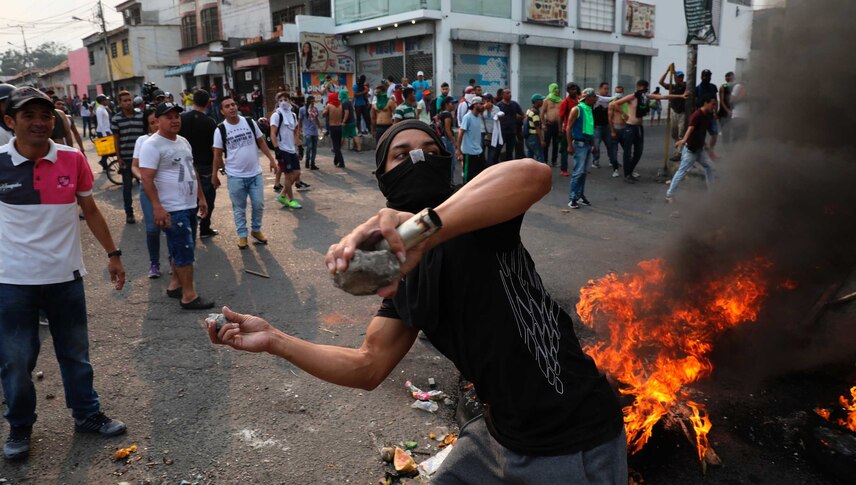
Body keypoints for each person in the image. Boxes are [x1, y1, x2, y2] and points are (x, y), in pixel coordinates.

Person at [207, 120, 626, 484]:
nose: (419, 160)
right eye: (401, 154)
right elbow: (368, 365)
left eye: (430, 151)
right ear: (385, 180)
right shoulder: (402, 274)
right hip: (498, 433)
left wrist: (424, 227)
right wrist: (275, 339)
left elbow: (533, 174)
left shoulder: (476, 219)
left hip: (571, 436)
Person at [0, 87, 128, 461]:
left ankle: (87, 415)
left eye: (46, 115)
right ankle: (20, 425)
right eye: (29, 116)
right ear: (10, 122)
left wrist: (113, 254)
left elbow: (90, 209)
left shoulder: (72, 159)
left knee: (75, 354)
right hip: (13, 282)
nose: (40, 122)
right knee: (16, 359)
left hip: (65, 278)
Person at [139, 102, 213, 310]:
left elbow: (192, 170)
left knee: (178, 246)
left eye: (177, 116)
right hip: (172, 207)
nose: (174, 120)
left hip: (189, 204)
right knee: (184, 250)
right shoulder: (152, 145)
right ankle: (189, 295)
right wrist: (157, 207)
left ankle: (175, 285)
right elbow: (146, 179)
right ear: (158, 120)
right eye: (168, 117)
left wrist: (201, 197)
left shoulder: (183, 141)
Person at [211, 96, 277, 246]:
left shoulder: (249, 122)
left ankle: (255, 229)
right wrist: (215, 175)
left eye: (233, 104)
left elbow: (260, 141)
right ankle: (242, 235)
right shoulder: (220, 130)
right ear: (222, 111)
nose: (232, 108)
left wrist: (272, 160)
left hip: (255, 174)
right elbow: (217, 155)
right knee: (239, 208)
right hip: (235, 177)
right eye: (227, 106)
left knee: (258, 204)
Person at [610, 80, 686, 184]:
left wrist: (681, 96)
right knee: (627, 152)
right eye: (643, 89)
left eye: (646, 89)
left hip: (639, 127)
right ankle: (627, 174)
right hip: (630, 127)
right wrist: (624, 114)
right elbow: (614, 104)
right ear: (638, 88)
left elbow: (663, 97)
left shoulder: (645, 97)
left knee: (638, 152)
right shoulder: (632, 97)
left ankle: (630, 171)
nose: (645, 91)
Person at [132, 109, 170, 277]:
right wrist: (144, 178)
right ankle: (154, 263)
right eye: (152, 122)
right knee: (152, 229)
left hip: (168, 189)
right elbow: (134, 165)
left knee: (171, 227)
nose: (156, 125)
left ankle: (174, 260)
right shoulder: (143, 140)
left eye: (157, 121)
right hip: (148, 189)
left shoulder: (172, 139)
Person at [179, 89, 219, 239]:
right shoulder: (210, 122)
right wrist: (218, 170)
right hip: (205, 167)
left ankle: (188, 229)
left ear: (193, 100)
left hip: (185, 165)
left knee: (189, 200)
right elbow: (215, 149)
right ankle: (204, 228)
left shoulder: (182, 119)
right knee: (208, 199)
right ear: (208, 102)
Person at [665, 95, 717, 202]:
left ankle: (712, 193)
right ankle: (669, 195)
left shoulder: (706, 115)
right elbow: (690, 129)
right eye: (713, 104)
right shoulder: (697, 115)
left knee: (710, 167)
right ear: (705, 103)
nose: (714, 106)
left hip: (699, 150)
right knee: (682, 171)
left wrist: (706, 145)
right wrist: (684, 140)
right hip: (691, 151)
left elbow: (701, 132)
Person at [111, 90, 146, 224]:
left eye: (129, 100)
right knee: (127, 187)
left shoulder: (140, 116)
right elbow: (116, 140)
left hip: (142, 158)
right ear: (120, 103)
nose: (127, 103)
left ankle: (147, 210)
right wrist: (119, 158)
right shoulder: (116, 119)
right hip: (126, 157)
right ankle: (129, 213)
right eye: (124, 101)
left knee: (146, 184)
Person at [269, 91, 304, 210]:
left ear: (290, 101)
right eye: (280, 100)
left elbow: (295, 132)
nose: (283, 102)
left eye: (285, 99)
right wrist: (277, 150)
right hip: (283, 149)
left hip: (292, 149)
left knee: (297, 173)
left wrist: (299, 146)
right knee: (288, 176)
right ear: (277, 103)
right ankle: (291, 200)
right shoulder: (276, 115)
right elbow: (272, 134)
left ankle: (282, 195)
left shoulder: (293, 115)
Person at [565, 88, 598, 209]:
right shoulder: (577, 109)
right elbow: (568, 128)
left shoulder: (589, 110)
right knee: (578, 172)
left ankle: (580, 195)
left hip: (587, 143)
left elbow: (591, 129)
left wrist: (593, 144)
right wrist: (569, 145)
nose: (595, 99)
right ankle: (572, 198)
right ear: (588, 98)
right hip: (579, 144)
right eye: (594, 97)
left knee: (584, 172)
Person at [659, 70, 687, 161]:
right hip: (674, 111)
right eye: (679, 77)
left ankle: (678, 153)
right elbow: (661, 82)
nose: (680, 78)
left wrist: (681, 82)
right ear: (675, 78)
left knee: (681, 133)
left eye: (682, 77)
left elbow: (686, 88)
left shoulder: (685, 85)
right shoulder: (672, 86)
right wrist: (667, 71)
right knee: (674, 133)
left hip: (683, 112)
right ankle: (679, 151)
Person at [455, 97, 485, 183]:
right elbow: (461, 132)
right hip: (469, 153)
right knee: (468, 177)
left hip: (478, 151)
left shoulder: (478, 117)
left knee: (479, 175)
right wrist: (458, 149)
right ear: (475, 104)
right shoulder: (467, 117)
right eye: (481, 104)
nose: (483, 106)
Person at [590, 82, 618, 173]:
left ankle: (612, 160)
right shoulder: (595, 99)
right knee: (596, 145)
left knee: (610, 144)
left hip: (606, 125)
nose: (607, 90)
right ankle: (595, 160)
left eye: (608, 89)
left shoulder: (609, 99)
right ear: (600, 88)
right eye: (605, 88)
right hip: (597, 126)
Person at [557, 82, 581, 176]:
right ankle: (563, 169)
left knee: (580, 148)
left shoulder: (579, 100)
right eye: (571, 89)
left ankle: (579, 168)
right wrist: (560, 130)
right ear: (568, 91)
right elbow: (560, 117)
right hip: (568, 129)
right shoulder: (565, 102)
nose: (573, 91)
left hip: (578, 129)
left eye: (575, 89)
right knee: (565, 150)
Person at [436, 96, 459, 184]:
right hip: (447, 141)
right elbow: (447, 130)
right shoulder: (447, 114)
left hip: (441, 140)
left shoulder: (441, 113)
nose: (453, 105)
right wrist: (455, 142)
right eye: (452, 103)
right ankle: (450, 183)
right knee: (451, 163)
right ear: (446, 105)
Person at [495, 88, 523, 162]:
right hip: (501, 132)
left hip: (512, 132)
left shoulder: (514, 104)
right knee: (497, 149)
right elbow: (494, 117)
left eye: (510, 93)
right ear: (503, 95)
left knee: (510, 151)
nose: (509, 95)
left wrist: (518, 120)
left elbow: (522, 114)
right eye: (507, 93)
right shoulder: (499, 106)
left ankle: (508, 165)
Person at [540, 83, 563, 169]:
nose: (556, 90)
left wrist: (561, 127)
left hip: (557, 125)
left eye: (557, 88)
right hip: (548, 125)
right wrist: (543, 124)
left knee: (556, 144)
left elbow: (561, 114)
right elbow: (542, 113)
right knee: (546, 143)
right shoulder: (546, 100)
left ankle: (554, 161)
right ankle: (545, 160)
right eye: (554, 89)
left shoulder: (560, 100)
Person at [323, 92, 345, 168]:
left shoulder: (329, 105)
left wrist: (325, 110)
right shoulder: (340, 105)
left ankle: (341, 162)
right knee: (338, 145)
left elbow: (323, 114)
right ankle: (337, 159)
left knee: (335, 146)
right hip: (339, 126)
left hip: (333, 126)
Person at [299, 96, 321, 170]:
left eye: (313, 101)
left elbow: (317, 119)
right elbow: (300, 120)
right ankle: (307, 160)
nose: (312, 103)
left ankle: (312, 163)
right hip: (307, 131)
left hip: (314, 130)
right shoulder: (302, 109)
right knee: (309, 146)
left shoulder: (315, 109)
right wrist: (299, 130)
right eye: (311, 101)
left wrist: (320, 127)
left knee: (314, 148)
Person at [481, 93, 503, 166]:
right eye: (484, 99)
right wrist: (484, 108)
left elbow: (499, 116)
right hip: (485, 132)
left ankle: (490, 165)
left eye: (486, 99)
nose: (485, 101)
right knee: (481, 152)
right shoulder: (482, 108)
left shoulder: (496, 108)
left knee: (492, 154)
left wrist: (490, 109)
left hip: (494, 133)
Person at [524, 94, 545, 163]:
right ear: (537, 101)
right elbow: (537, 127)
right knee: (540, 156)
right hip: (534, 136)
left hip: (528, 136)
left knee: (529, 157)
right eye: (541, 100)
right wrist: (542, 140)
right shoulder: (535, 113)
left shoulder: (529, 110)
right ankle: (541, 172)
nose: (542, 102)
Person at [94, 94, 112, 171]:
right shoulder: (99, 110)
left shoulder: (104, 108)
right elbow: (100, 123)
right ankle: (104, 165)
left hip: (106, 131)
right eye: (105, 100)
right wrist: (104, 134)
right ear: (102, 101)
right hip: (102, 132)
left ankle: (103, 163)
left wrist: (109, 131)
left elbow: (106, 122)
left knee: (107, 150)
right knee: (106, 151)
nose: (107, 101)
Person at [718, 71, 735, 143]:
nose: (728, 78)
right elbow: (721, 101)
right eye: (727, 76)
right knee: (725, 131)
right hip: (724, 112)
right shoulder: (723, 86)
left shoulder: (735, 86)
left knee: (732, 131)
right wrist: (727, 110)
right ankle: (726, 148)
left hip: (732, 111)